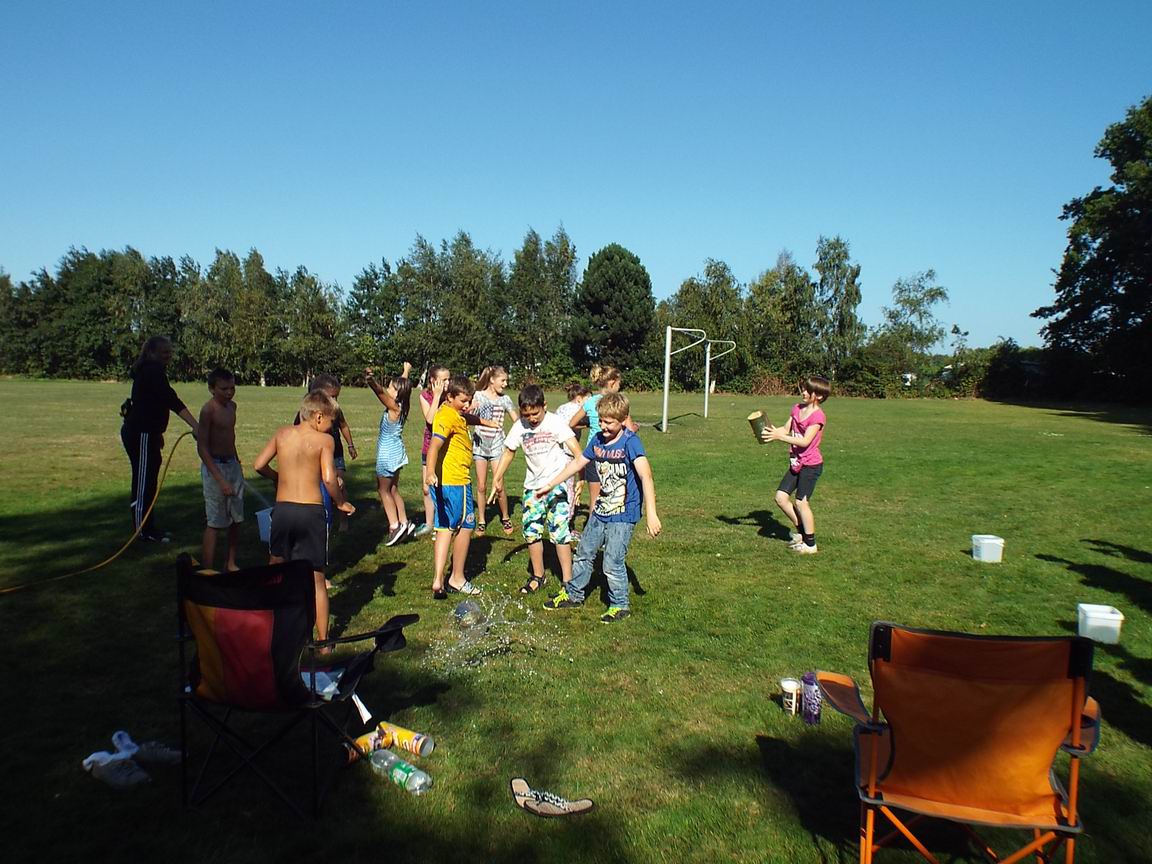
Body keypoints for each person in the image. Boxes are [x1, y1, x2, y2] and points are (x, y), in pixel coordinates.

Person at [535, 393, 662, 623]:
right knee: (583, 553)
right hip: (601, 510)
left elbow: (646, 476)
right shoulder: (597, 440)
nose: (603, 426)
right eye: (601, 420)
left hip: (623, 514)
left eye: (609, 422)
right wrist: (550, 484)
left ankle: (619, 605)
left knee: (612, 562)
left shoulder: (630, 442)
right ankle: (574, 595)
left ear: (622, 420)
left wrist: (651, 514)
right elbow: (577, 463)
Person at [254, 391, 354, 643]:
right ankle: (323, 642)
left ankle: (270, 630)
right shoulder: (325, 441)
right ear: (319, 417)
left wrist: (279, 478)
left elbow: (258, 465)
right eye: (331, 422)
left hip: (283, 511)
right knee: (317, 578)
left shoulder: (282, 434)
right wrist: (340, 502)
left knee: (276, 568)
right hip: (310, 512)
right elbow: (329, 478)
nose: (331, 428)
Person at [491, 385, 582, 594]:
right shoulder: (520, 426)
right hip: (532, 488)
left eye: (535, 413)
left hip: (556, 486)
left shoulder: (555, 422)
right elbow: (509, 452)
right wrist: (497, 478)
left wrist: (580, 478)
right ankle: (538, 576)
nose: (531, 418)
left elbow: (577, 452)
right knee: (532, 532)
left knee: (560, 533)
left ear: (544, 406)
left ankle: (568, 581)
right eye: (527, 415)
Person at [120, 335, 199, 542]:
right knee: (143, 483)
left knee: (149, 481)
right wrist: (196, 425)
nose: (169, 356)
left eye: (170, 352)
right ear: (152, 353)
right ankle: (142, 531)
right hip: (141, 434)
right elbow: (171, 400)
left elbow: (153, 404)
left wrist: (157, 435)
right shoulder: (152, 371)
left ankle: (148, 527)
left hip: (148, 434)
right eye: (165, 352)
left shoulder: (153, 371)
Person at [423, 375, 484, 599]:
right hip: (455, 482)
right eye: (463, 401)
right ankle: (456, 578)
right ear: (449, 397)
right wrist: (430, 471)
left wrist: (486, 422)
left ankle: (439, 579)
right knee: (464, 526)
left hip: (448, 481)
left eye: (469, 401)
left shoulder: (452, 413)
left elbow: (467, 418)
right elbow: (434, 445)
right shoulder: (447, 417)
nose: (467, 405)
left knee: (446, 527)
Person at [761, 375, 830, 554]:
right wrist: (769, 432)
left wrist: (780, 437)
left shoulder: (818, 416)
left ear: (819, 396)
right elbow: (785, 429)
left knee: (801, 503)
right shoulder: (797, 409)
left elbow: (805, 441)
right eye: (804, 388)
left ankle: (811, 545)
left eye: (808, 390)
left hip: (811, 465)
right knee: (781, 498)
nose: (803, 392)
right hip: (796, 462)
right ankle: (802, 534)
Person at [294, 374, 358, 532]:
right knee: (320, 487)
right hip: (316, 456)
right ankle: (321, 517)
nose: (335, 400)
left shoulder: (335, 410)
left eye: (337, 397)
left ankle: (343, 518)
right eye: (332, 396)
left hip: (335, 453)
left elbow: (344, 426)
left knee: (340, 485)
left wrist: (350, 445)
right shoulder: (304, 415)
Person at [197, 368, 243, 571]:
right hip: (214, 467)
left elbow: (230, 437)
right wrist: (220, 480)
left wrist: (237, 462)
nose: (229, 392)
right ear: (212, 389)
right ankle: (207, 569)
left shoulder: (233, 407)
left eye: (232, 388)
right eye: (224, 389)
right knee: (215, 521)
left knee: (237, 519)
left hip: (232, 465)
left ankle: (230, 562)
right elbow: (202, 448)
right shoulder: (208, 411)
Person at [366, 362, 414, 546]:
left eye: (391, 388)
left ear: (397, 393)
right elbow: (403, 385)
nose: (388, 389)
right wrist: (406, 371)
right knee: (393, 489)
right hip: (397, 453)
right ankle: (405, 522)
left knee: (383, 490)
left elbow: (380, 393)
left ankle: (394, 526)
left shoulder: (394, 407)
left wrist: (371, 381)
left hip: (387, 455)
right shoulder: (402, 404)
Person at [470, 366, 519, 536]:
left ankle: (505, 517)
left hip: (497, 446)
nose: (505, 384)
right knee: (481, 485)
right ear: (492, 380)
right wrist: (472, 407)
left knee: (499, 485)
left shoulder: (505, 399)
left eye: (506, 381)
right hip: (480, 446)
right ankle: (482, 520)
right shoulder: (478, 396)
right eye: (502, 380)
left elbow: (516, 421)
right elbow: (470, 416)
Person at [554, 381, 591, 536]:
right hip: (568, 454)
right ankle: (565, 527)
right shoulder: (577, 409)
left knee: (559, 488)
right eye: (588, 399)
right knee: (570, 490)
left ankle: (558, 521)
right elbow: (573, 424)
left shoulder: (561, 408)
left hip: (554, 453)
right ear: (579, 399)